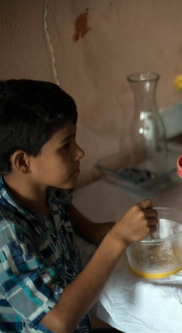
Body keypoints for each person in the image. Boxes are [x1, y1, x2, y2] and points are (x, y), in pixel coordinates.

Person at [0, 79, 159, 332]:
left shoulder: (47, 186)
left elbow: (64, 208)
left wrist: (91, 229)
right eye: (66, 146)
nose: (80, 152)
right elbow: (60, 320)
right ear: (23, 162)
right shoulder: (5, 234)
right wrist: (116, 239)